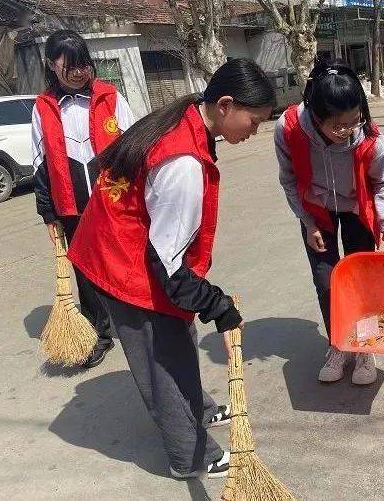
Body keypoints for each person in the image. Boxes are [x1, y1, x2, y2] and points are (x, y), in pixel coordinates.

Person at [66, 58, 276, 478]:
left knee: (177, 338)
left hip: (120, 244)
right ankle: (190, 456)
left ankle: (198, 408)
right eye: (253, 121)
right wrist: (214, 303)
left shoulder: (186, 115)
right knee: (162, 358)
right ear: (225, 105)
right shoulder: (182, 162)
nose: (254, 132)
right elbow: (168, 266)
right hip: (123, 264)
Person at [275, 60, 384, 386]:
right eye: (338, 126)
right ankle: (339, 344)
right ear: (316, 117)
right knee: (327, 282)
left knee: (362, 281)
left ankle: (365, 347)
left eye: (354, 121)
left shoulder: (371, 138)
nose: (348, 131)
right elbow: (289, 180)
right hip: (317, 210)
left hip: (357, 208)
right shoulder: (289, 129)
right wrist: (308, 223)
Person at [32, 29, 134, 368]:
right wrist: (49, 214)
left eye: (83, 64)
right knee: (87, 274)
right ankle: (99, 332)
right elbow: (40, 164)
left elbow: (134, 146)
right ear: (51, 65)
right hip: (72, 206)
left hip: (115, 202)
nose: (78, 72)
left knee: (125, 261)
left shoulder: (110, 97)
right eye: (69, 66)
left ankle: (136, 321)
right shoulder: (43, 109)